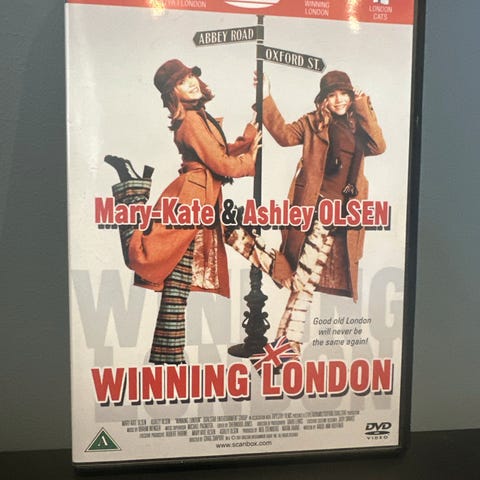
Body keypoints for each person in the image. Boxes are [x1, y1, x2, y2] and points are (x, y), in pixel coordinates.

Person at [105, 59, 261, 364]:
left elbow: (221, 152)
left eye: (191, 76)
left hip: (200, 198)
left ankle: (169, 356)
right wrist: (251, 160)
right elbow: (222, 165)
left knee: (178, 278)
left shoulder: (199, 115)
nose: (191, 82)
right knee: (146, 256)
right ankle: (130, 190)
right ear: (172, 94)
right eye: (181, 81)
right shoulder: (190, 121)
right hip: (191, 199)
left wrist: (252, 127)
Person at [226, 70, 386, 354]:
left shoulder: (358, 125)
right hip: (316, 210)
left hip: (345, 216)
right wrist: (265, 96)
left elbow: (378, 146)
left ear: (351, 96)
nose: (339, 100)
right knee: (301, 279)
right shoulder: (313, 123)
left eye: (344, 94)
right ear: (323, 100)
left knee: (306, 284)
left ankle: (286, 350)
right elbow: (284, 135)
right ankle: (240, 238)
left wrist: (363, 105)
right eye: (332, 95)